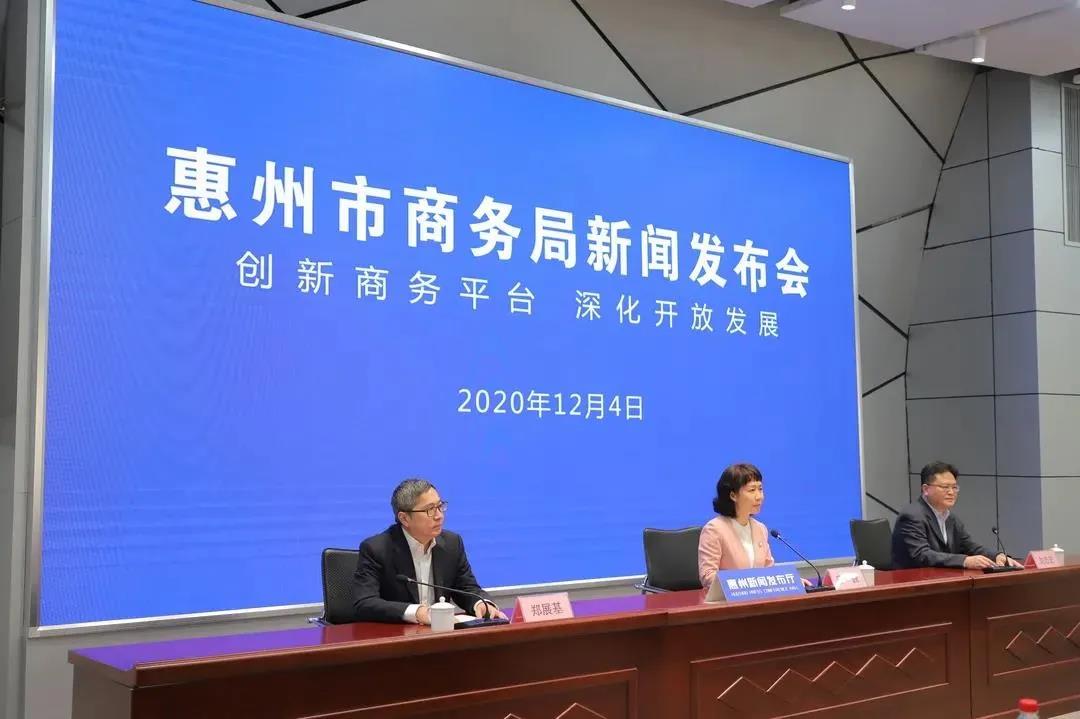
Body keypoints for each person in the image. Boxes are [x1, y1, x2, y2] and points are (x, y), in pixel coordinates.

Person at [352, 478, 507, 624]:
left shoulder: (452, 543)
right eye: (430, 510)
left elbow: (467, 588)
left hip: (441, 634)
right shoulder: (376, 549)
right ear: (404, 518)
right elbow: (365, 603)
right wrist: (417, 612)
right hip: (397, 636)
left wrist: (481, 603)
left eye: (440, 506)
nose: (439, 516)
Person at [891, 461, 1022, 569]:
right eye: (945, 487)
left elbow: (969, 546)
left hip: (941, 581)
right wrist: (964, 561)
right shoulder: (912, 516)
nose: (951, 492)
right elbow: (922, 555)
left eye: (954, 487)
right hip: (913, 583)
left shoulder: (951, 519)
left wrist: (996, 556)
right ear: (926, 489)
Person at [698, 463, 775, 588]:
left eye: (760, 489)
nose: (759, 497)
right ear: (733, 495)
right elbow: (708, 576)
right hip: (727, 598)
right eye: (752, 490)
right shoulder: (714, 530)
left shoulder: (760, 528)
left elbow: (769, 570)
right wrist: (744, 586)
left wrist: (794, 582)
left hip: (758, 597)